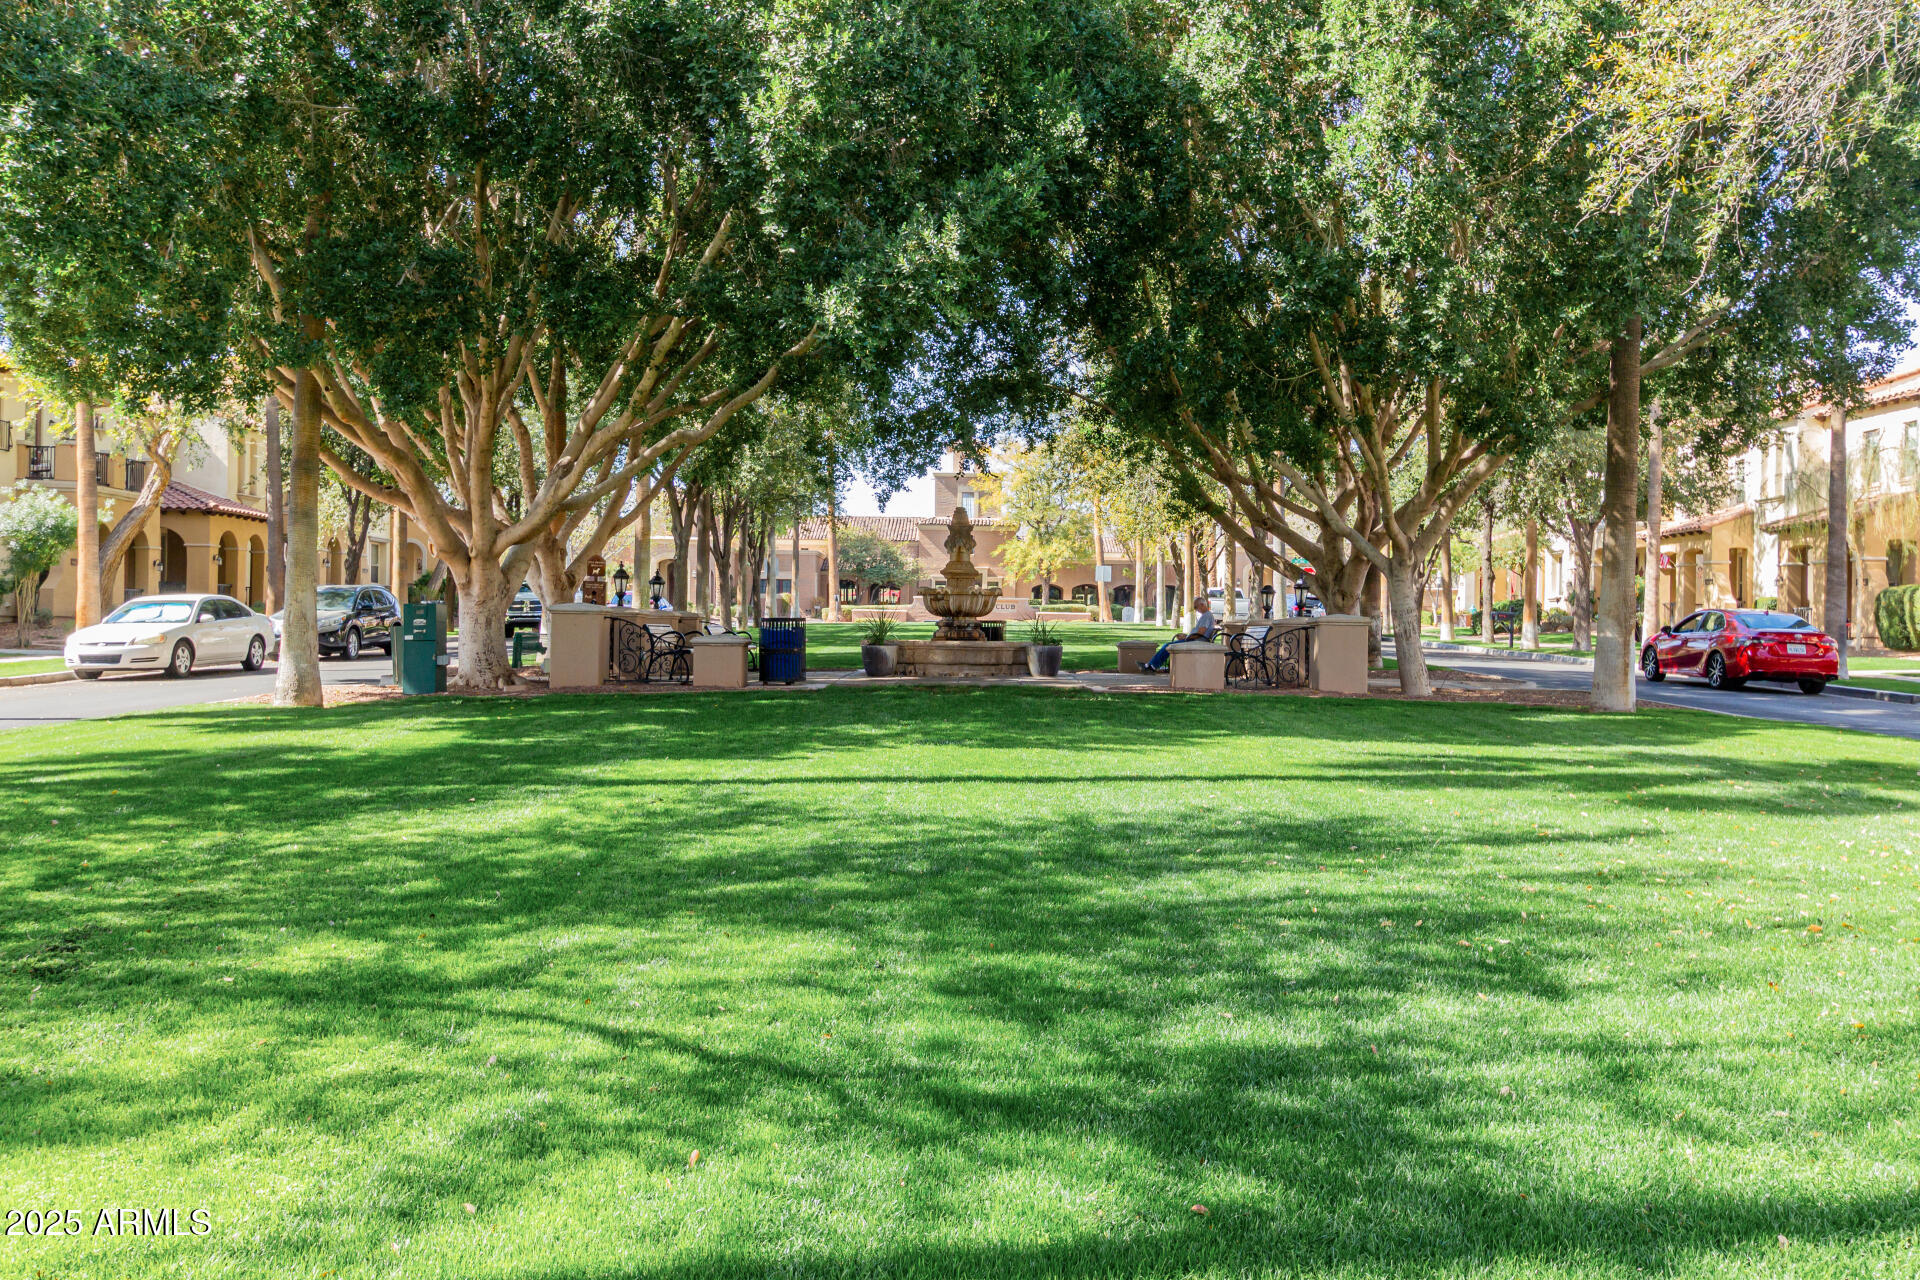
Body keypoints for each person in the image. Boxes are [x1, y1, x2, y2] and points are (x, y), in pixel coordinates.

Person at [1140, 594, 1219, 672]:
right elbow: (1199, 633)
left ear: (1202, 605)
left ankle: (1152, 666)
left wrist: (1187, 638)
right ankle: (1151, 665)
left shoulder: (1206, 616)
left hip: (1196, 641)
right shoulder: (1205, 615)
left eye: (1196, 607)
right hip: (1194, 639)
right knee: (1168, 645)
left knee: (1168, 645)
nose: (1195, 609)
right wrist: (1186, 636)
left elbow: (1200, 633)